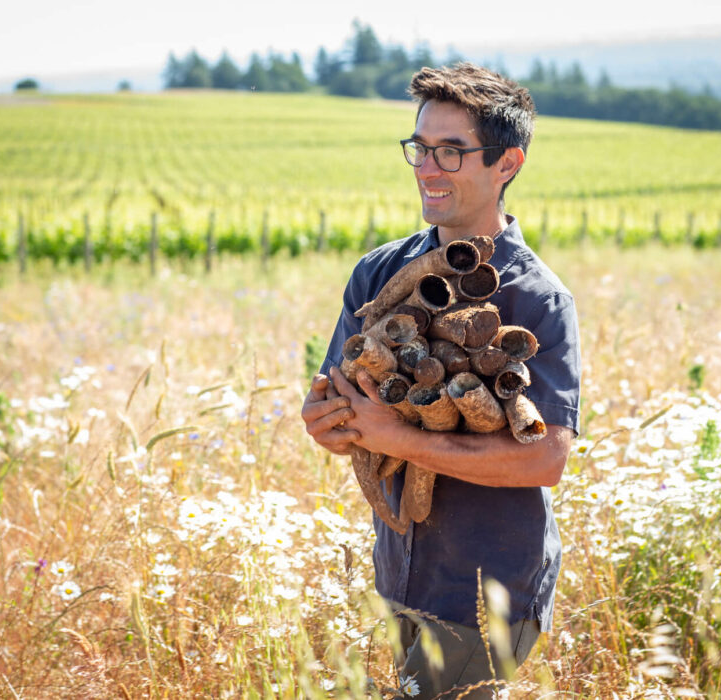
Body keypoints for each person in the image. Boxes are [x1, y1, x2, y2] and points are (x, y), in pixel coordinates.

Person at [301, 63, 581, 699]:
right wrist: (327, 426)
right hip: (400, 574)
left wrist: (396, 439)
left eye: (452, 151)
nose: (429, 167)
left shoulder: (539, 300)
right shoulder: (377, 273)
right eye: (420, 148)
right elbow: (336, 406)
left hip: (487, 589)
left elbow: (544, 458)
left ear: (506, 163)